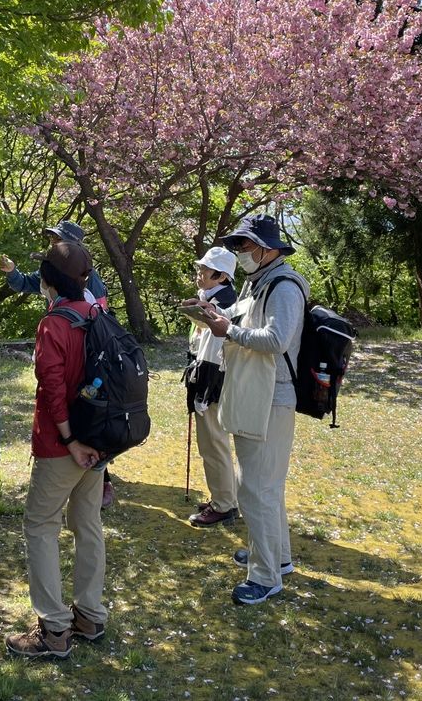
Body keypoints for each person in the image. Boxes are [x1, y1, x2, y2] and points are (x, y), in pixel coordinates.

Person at [188, 214, 308, 605]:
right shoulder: (260, 283)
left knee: (256, 489)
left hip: (272, 397)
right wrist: (209, 315)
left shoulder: (283, 286)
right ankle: (276, 557)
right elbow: (236, 315)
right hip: (259, 393)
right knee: (265, 486)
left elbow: (276, 339)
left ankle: (265, 575)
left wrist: (228, 331)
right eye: (238, 245)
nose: (240, 253)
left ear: (269, 248)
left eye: (245, 245)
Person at [5, 242, 107, 660]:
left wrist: (69, 441)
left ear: (48, 280)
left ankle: (54, 629)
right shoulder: (96, 314)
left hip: (62, 445)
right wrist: (87, 444)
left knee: (41, 526)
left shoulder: (54, 323)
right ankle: (90, 615)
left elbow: (51, 389)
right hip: (99, 443)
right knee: (88, 524)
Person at [0, 219, 117, 507]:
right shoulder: (52, 272)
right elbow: (27, 283)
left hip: (83, 349)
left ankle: (100, 478)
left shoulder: (88, 276)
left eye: (58, 239)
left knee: (86, 406)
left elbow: (100, 312)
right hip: (65, 343)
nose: (53, 243)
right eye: (52, 239)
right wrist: (12, 272)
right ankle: (89, 471)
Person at [182, 246, 240, 527]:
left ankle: (224, 504)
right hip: (208, 373)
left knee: (213, 443)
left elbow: (221, 332)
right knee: (214, 443)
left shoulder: (225, 301)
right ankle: (224, 497)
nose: (199, 273)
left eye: (204, 269)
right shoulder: (211, 297)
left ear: (221, 275)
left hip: (214, 377)